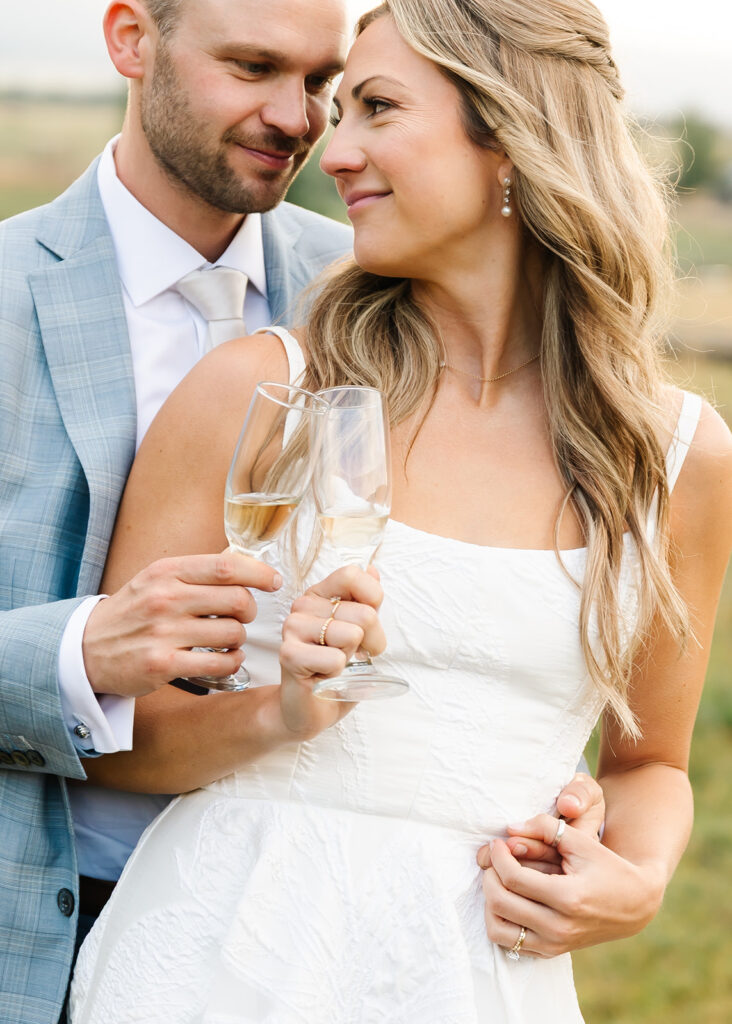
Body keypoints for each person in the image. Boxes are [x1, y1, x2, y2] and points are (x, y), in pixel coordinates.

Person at [70, 0, 731, 1019]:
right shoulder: (262, 390)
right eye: (343, 113)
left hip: (473, 978)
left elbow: (649, 765)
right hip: (218, 962)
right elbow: (115, 740)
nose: (334, 151)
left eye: (377, 107)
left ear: (512, 136)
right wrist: (282, 711)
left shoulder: (675, 457)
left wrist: (633, 880)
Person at [0, 0, 357, 1020]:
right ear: (129, 40)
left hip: (296, 932)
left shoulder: (369, 295)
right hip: (38, 928)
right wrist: (79, 653)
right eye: (252, 66)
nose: (297, 117)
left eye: (322, 79)